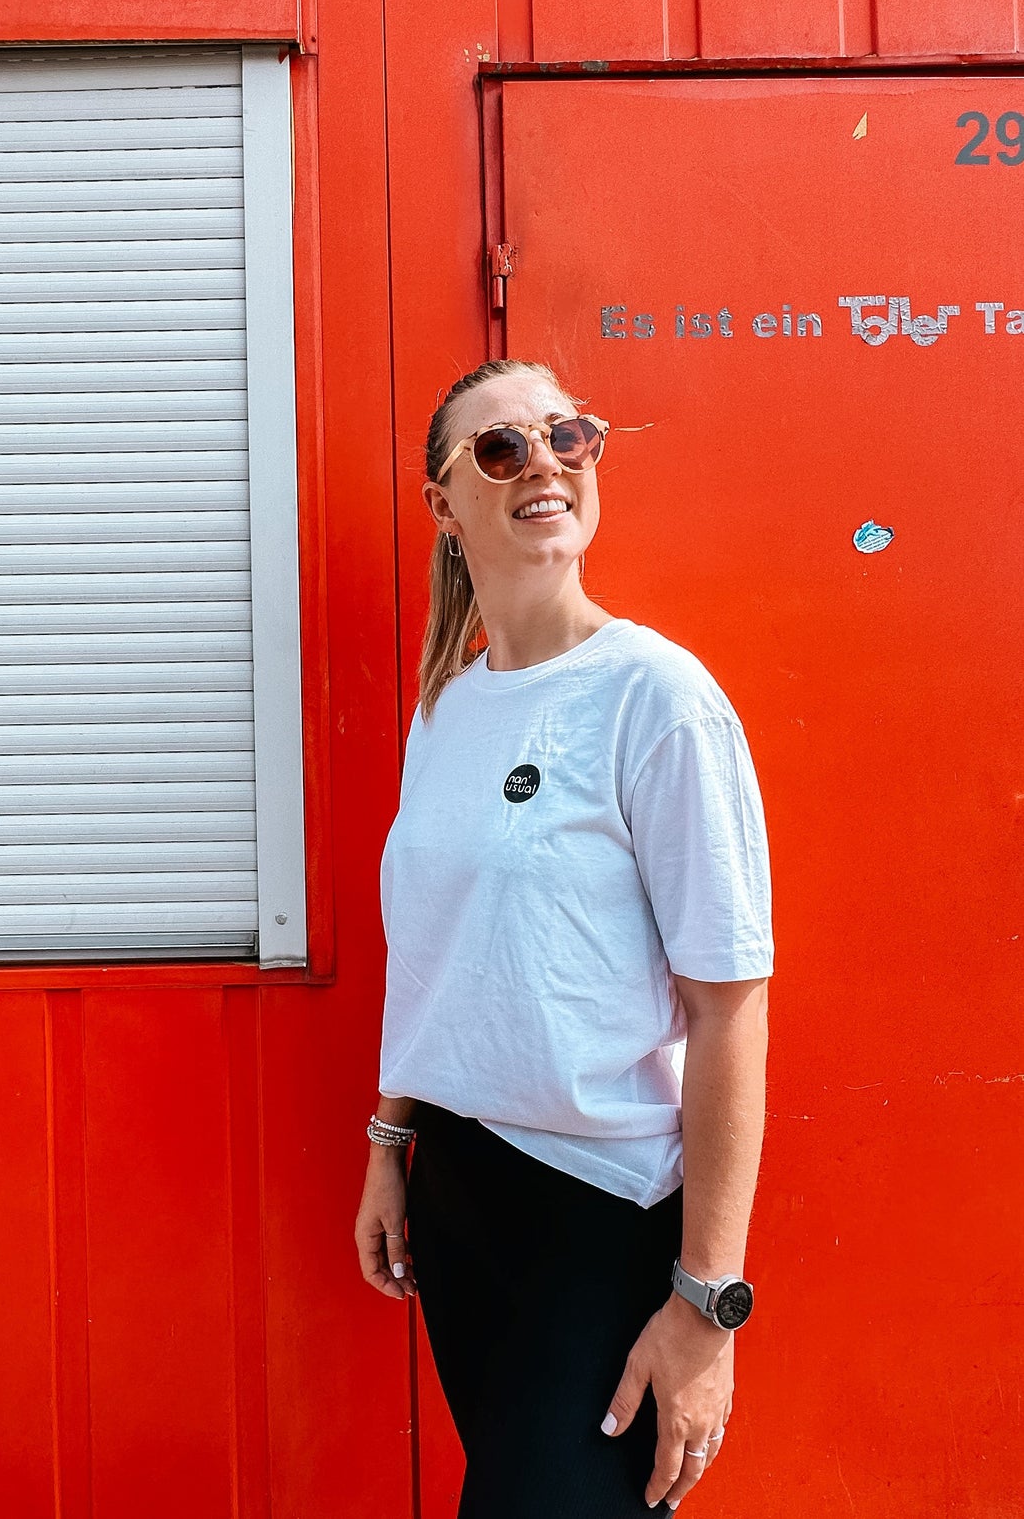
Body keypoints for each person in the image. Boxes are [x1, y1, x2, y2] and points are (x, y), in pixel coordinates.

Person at [354, 358, 773, 1518]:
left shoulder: (655, 697)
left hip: (600, 1210)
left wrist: (705, 1299)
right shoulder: (445, 706)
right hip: (460, 1200)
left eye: (567, 436)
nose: (542, 460)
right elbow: (433, 957)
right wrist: (390, 1142)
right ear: (444, 506)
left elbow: (728, 1002)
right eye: (499, 448)